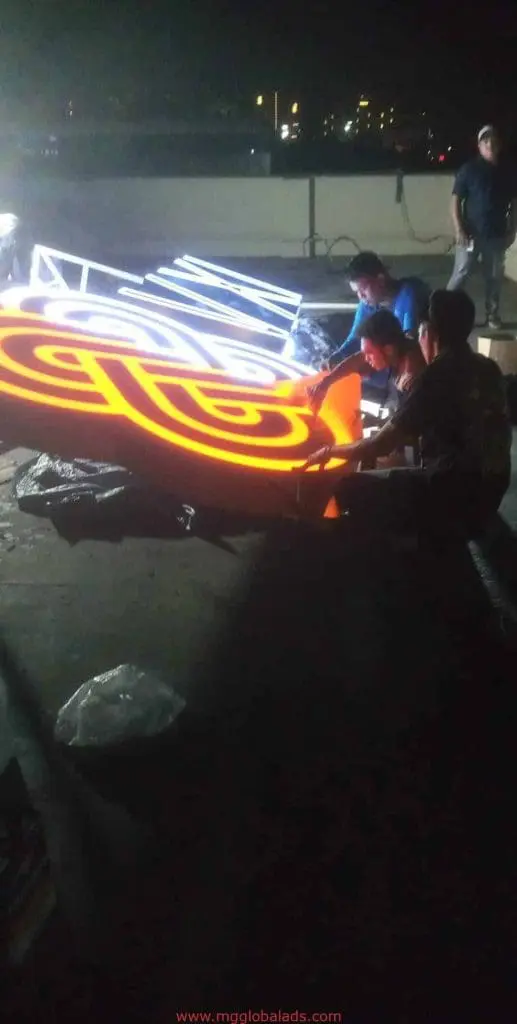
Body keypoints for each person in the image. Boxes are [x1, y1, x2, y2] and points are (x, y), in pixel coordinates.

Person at [302, 290, 512, 541]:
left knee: (349, 487)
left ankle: (410, 559)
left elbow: (382, 445)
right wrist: (327, 382)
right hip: (495, 487)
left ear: (429, 334)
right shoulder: (487, 366)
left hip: (455, 492)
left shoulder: (432, 378)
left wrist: (328, 452)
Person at [447, 125, 517, 330]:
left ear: (499, 144)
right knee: (461, 272)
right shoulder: (468, 170)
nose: (490, 144)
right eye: (486, 141)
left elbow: (514, 203)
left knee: (494, 277)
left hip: (496, 234)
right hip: (470, 234)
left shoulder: (508, 171)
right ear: (479, 146)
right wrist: (459, 228)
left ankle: (492, 315)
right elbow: (455, 201)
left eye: (493, 140)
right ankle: (442, 310)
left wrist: (513, 229)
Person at [327, 251, 430, 381]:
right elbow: (355, 338)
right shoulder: (368, 304)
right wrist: (338, 357)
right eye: (357, 292)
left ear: (380, 280)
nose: (361, 296)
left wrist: (353, 366)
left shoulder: (409, 294)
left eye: (363, 290)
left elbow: (408, 343)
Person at [307, 308, 426, 417]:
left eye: (369, 353)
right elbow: (356, 360)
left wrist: (381, 424)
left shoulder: (411, 377)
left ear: (388, 349)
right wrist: (326, 382)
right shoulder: (399, 347)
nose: (366, 358)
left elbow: (406, 427)